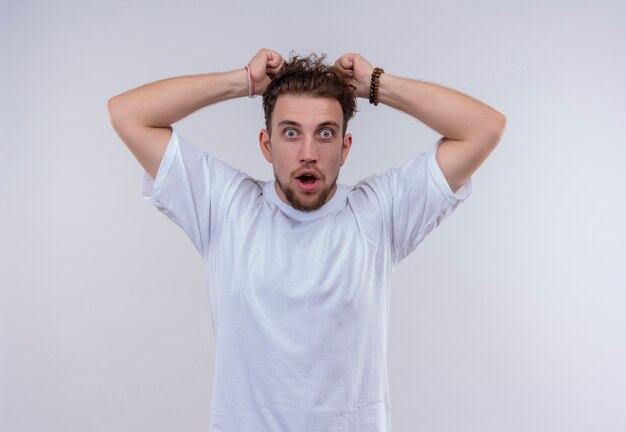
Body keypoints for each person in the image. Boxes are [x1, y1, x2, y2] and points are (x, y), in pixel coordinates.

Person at [107, 48, 506, 432]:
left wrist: (376, 84)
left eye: (326, 133)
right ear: (267, 145)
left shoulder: (379, 213)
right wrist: (242, 82)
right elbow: (128, 113)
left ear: (345, 148)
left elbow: (483, 128)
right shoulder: (225, 206)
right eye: (291, 133)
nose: (308, 153)